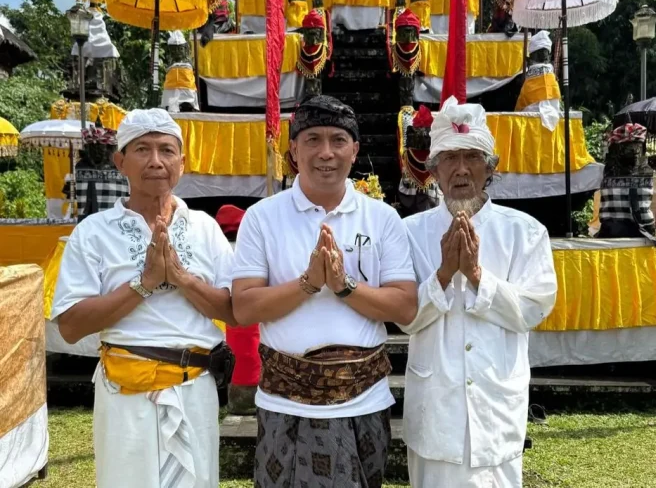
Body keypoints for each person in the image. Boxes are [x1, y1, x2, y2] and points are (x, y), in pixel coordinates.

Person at [232, 95, 418, 488]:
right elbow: (244, 308)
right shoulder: (262, 218)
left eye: (338, 139)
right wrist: (307, 285)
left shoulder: (382, 218)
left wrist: (344, 287)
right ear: (294, 151)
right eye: (313, 139)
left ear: (355, 150)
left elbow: (404, 307)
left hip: (364, 403)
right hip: (285, 403)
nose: (326, 152)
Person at [51, 108, 236, 488]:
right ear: (120, 161)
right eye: (142, 150)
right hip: (125, 393)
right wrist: (144, 284)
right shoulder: (94, 232)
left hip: (194, 387)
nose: (156, 161)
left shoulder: (205, 227)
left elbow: (235, 312)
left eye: (167, 150)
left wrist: (182, 279)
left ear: (182, 163)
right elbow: (70, 327)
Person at [400, 97, 558, 488]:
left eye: (471, 157)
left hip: (495, 407)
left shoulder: (524, 231)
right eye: (449, 159)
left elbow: (532, 309)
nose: (460, 170)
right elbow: (404, 318)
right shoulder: (410, 232)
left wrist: (475, 275)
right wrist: (442, 275)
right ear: (433, 170)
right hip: (434, 408)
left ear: (491, 167)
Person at [216, 204, 261, 415]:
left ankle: (239, 399)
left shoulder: (226, 249)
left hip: (237, 317)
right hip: (249, 316)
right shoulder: (249, 249)